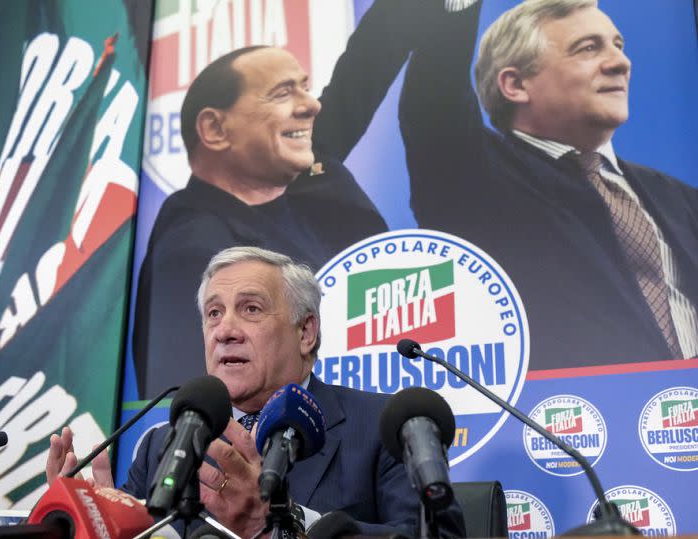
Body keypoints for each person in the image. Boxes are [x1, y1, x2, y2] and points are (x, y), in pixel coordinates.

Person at [47, 246, 466, 538]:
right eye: (213, 313)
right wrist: (93, 523)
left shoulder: (385, 428)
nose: (225, 331)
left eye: (250, 309)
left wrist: (281, 527)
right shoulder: (163, 445)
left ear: (306, 332)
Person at [132, 0, 435, 397]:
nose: (311, 105)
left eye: (304, 88)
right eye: (282, 93)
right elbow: (195, 407)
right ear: (216, 128)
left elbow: (362, 73)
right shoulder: (194, 253)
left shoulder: (302, 174)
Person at [399, 0, 698, 370]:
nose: (621, 63)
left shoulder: (679, 198)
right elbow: (433, 103)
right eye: (588, 48)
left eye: (617, 45)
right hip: (566, 418)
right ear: (515, 84)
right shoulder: (473, 178)